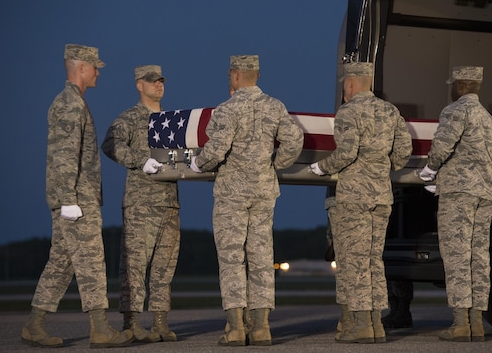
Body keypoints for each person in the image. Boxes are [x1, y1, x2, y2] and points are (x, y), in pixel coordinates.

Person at [21, 44, 134, 349]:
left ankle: (34, 324)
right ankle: (100, 328)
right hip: (76, 200)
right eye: (94, 66)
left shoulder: (73, 102)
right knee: (91, 260)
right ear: (81, 67)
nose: (98, 72)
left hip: (75, 197)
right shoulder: (70, 103)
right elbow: (65, 156)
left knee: (61, 262)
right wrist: (69, 199)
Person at [190, 55, 303, 346]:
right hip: (264, 191)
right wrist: (276, 164)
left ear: (235, 76)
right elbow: (295, 139)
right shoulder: (275, 106)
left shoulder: (226, 110)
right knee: (262, 257)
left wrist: (198, 164)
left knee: (231, 258)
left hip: (232, 193)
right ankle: (263, 327)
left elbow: (216, 150)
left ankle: (236, 329)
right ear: (257, 75)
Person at [309, 62, 412, 344]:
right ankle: (377, 323)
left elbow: (347, 151)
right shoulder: (390, 111)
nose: (344, 92)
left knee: (354, 262)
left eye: (345, 86)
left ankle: (362, 324)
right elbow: (404, 152)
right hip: (381, 194)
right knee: (373, 260)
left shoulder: (348, 111)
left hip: (354, 195)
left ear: (352, 84)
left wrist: (322, 167)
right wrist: (382, 166)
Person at [418, 66, 492, 342]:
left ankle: (460, 323)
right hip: (485, 194)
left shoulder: (455, 110)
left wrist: (430, 170)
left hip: (459, 194)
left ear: (460, 86)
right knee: (479, 256)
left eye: (453, 84)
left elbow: (442, 145)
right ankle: (477, 322)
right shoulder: (489, 119)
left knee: (457, 256)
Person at [101, 65, 180, 343]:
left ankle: (160, 322)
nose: (158, 85)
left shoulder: (171, 121)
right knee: (134, 266)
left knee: (164, 266)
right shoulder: (129, 118)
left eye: (160, 81)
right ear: (138, 84)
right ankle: (131, 322)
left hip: (169, 203)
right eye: (151, 81)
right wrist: (138, 160)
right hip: (140, 204)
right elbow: (110, 145)